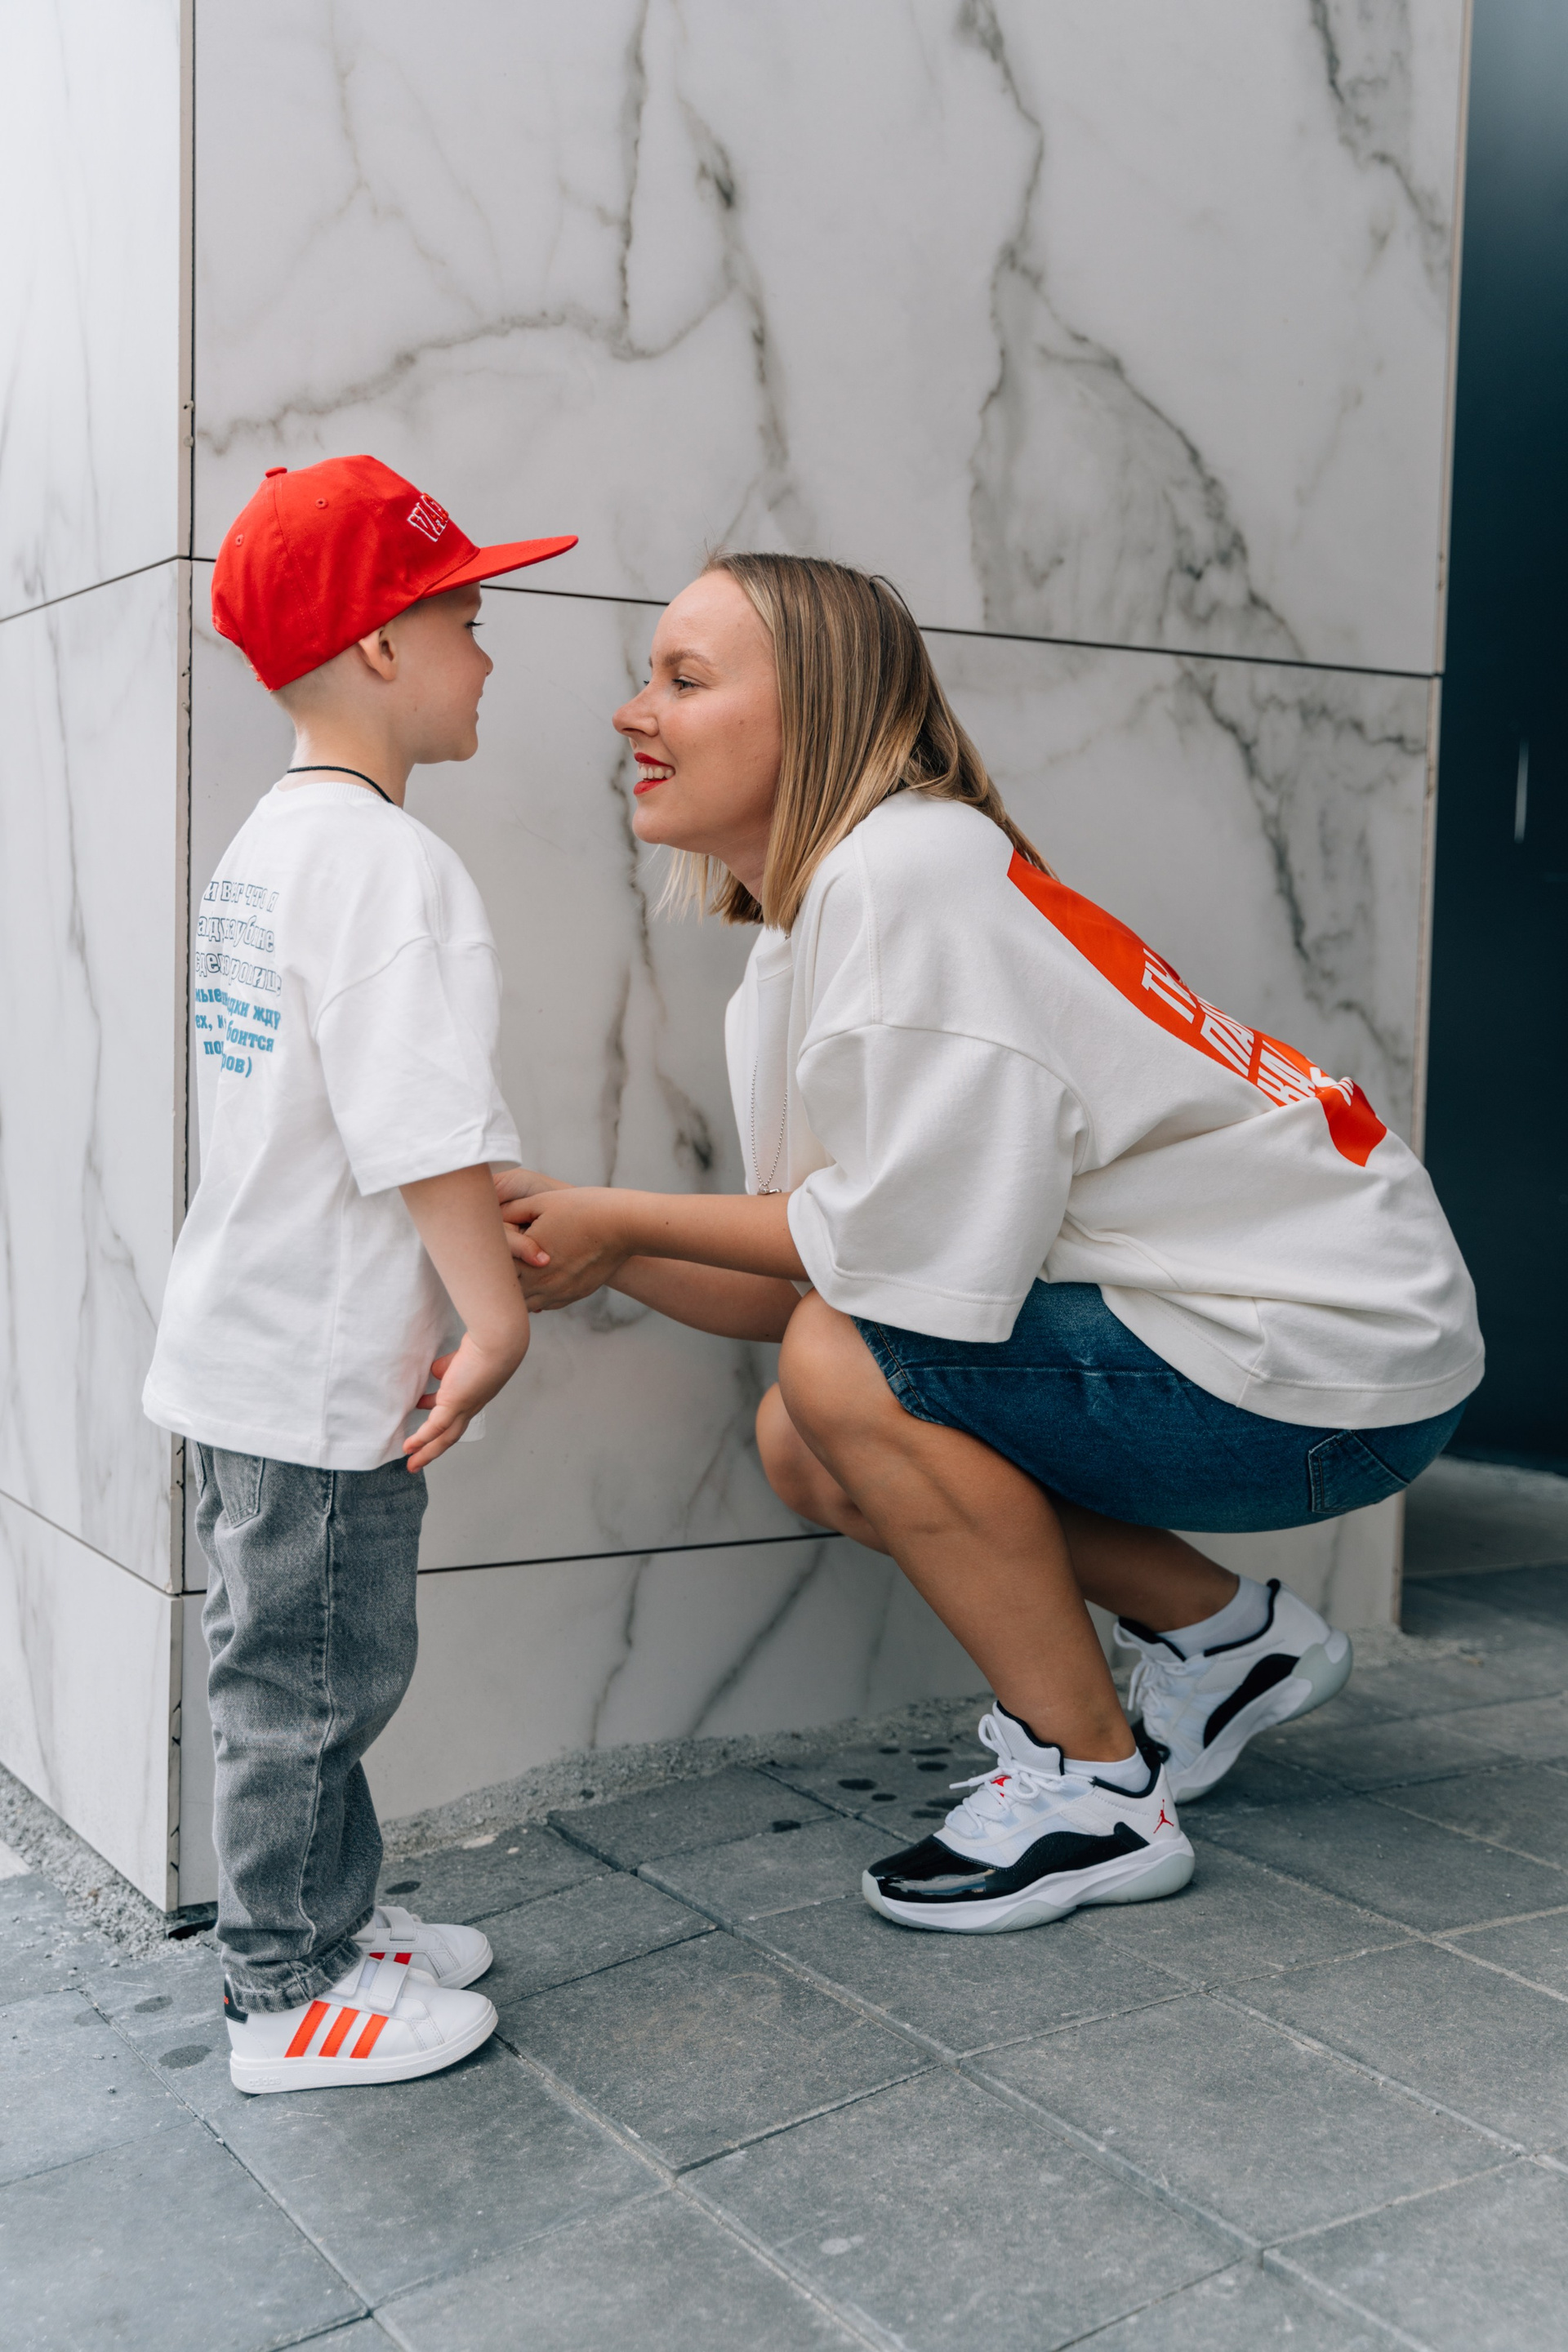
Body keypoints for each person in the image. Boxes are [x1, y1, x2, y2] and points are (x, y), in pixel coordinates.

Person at [498, 551, 1483, 1938]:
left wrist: (618, 1218)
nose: (632, 711)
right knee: (809, 1428)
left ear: (819, 709)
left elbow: (869, 1285)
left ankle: (1095, 1796)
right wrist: (586, 1239)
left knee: (840, 1370)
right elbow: (838, 1265)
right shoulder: (841, 906)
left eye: (685, 679)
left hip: (1333, 1361)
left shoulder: (905, 883)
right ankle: (1230, 1647)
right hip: (1308, 1337)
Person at [143, 456, 575, 2087]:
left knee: (308, 1665)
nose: (489, 656)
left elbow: (349, 1109)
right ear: (383, 646)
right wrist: (496, 1316)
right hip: (320, 1370)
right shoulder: (391, 867)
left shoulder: (280, 842)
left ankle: (333, 1921)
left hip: (258, 1343)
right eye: (469, 620)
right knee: (311, 1684)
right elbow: (416, 1126)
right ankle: (284, 1992)